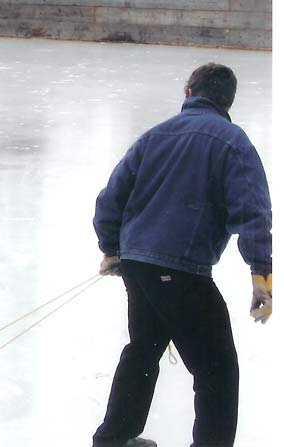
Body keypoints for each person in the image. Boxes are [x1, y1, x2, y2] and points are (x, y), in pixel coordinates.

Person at [91, 63, 272, 447]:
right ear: (228, 101)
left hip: (139, 268)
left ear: (189, 91)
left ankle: (113, 439)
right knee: (217, 370)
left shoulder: (155, 136)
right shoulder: (233, 142)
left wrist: (112, 249)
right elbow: (252, 211)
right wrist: (262, 274)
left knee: (143, 348)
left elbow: (110, 201)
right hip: (183, 272)